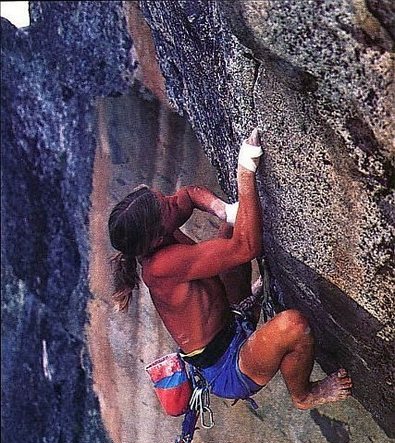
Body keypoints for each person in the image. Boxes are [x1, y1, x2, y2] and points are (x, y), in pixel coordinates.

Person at [108, 128, 352, 410]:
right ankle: (303, 396)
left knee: (234, 225)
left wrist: (223, 210)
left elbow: (188, 196)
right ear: (156, 235)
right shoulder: (161, 267)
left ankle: (250, 303)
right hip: (228, 367)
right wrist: (245, 171)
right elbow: (247, 248)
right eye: (167, 208)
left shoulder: (158, 229)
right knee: (293, 325)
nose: (173, 203)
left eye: (164, 199)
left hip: (229, 319)